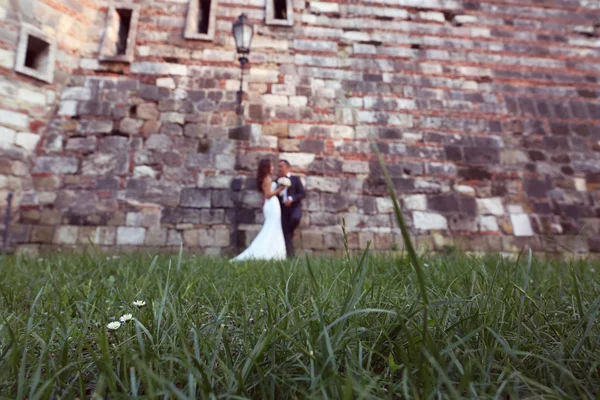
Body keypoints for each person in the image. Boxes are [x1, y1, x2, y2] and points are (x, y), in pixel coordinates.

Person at [231, 159, 287, 261]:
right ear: (267, 167)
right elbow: (268, 195)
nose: (273, 168)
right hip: (272, 205)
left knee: (274, 228)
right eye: (271, 166)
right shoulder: (267, 179)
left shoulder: (266, 178)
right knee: (270, 228)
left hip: (271, 205)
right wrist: (280, 189)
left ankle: (273, 252)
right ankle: (264, 251)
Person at [277, 160, 306, 258]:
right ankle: (290, 256)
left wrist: (291, 198)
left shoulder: (295, 179)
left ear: (287, 167)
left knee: (295, 219)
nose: (279, 168)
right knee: (286, 234)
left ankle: (291, 230)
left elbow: (302, 193)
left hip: (294, 207)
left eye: (281, 166)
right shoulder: (277, 181)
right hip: (283, 209)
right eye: (278, 166)